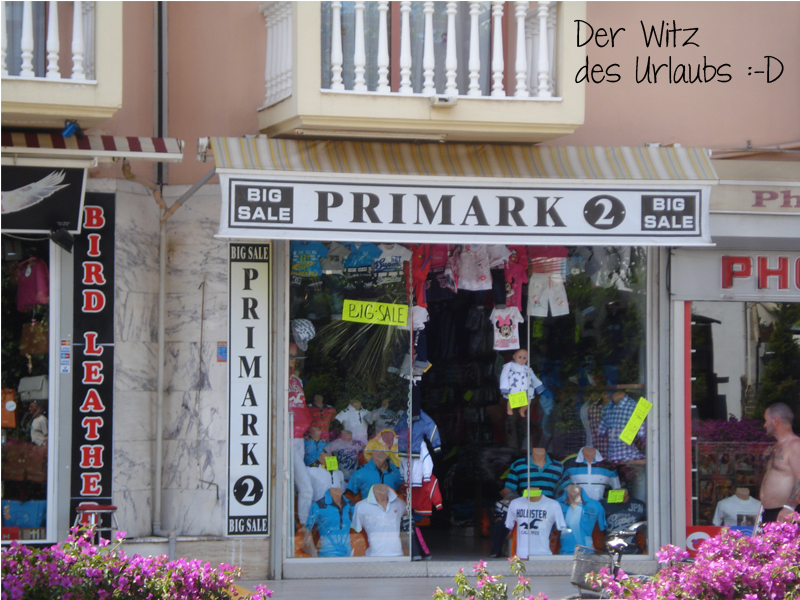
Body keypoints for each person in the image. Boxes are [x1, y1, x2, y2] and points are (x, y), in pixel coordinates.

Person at [759, 403, 800, 523]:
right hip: (771, 513)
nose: (765, 425)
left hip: (786, 514)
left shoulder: (795, 445)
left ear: (775, 421)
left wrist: (790, 507)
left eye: (766, 421)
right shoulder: (776, 446)